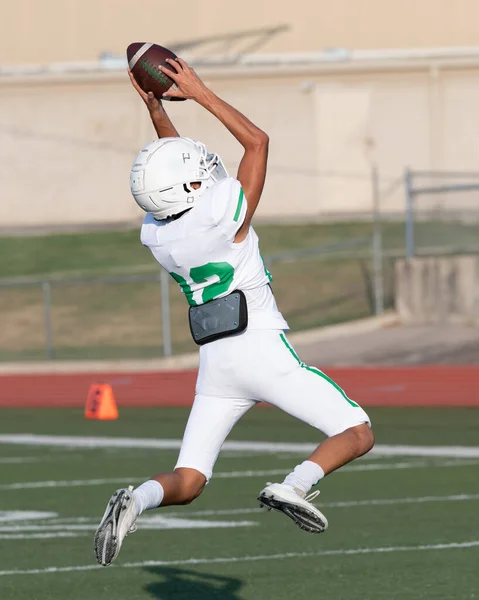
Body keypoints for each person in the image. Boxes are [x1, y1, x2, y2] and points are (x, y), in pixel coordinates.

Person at [94, 57, 374, 567]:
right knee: (356, 432)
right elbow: (257, 142)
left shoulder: (158, 233)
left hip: (216, 366)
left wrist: (156, 106)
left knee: (191, 478)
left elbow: (176, 171)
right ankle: (294, 485)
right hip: (261, 351)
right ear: (190, 188)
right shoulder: (223, 216)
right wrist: (198, 91)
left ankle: (137, 498)